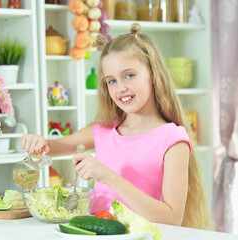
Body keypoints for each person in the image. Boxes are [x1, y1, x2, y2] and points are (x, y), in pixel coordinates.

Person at [21, 23, 213, 230]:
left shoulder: (173, 140)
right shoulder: (104, 130)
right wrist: (40, 143)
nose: (120, 88)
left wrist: (108, 176)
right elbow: (53, 147)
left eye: (129, 75)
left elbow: (171, 218)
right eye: (111, 81)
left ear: (153, 74)